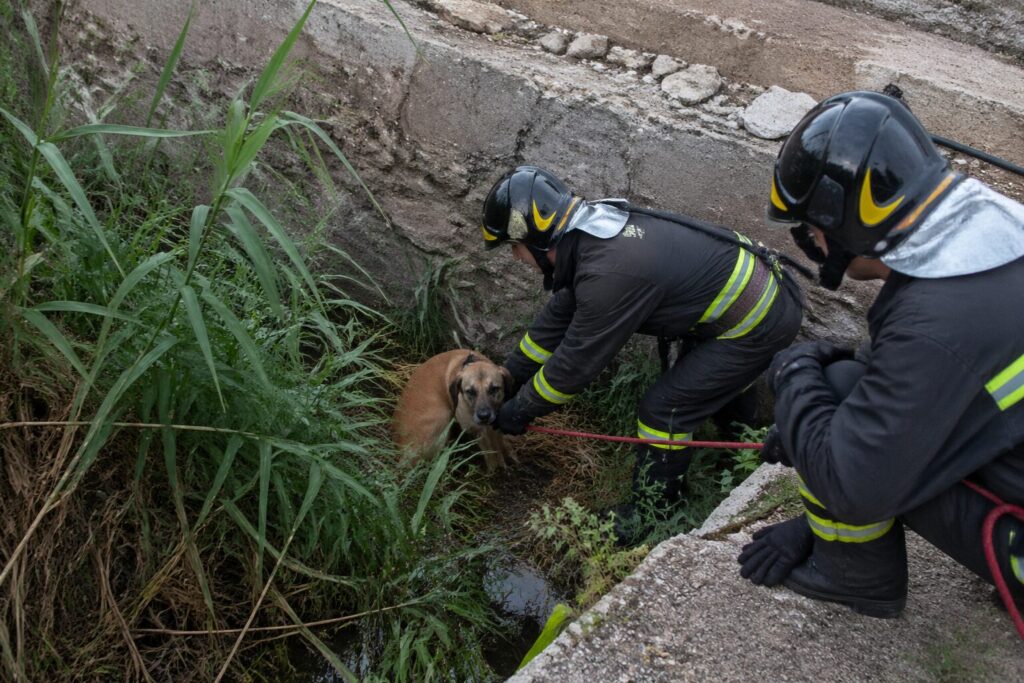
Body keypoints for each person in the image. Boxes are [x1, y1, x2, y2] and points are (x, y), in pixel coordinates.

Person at [738, 90, 1024, 619]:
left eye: (813, 231)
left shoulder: (935, 322)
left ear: (842, 224)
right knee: (849, 387)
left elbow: (852, 484)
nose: (813, 244)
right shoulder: (998, 239)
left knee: (838, 397)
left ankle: (854, 578)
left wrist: (794, 374)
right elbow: (931, 385)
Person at [479, 166, 804, 543]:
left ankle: (653, 513)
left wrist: (520, 411)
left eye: (514, 247)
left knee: (665, 409)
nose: (516, 258)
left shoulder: (607, 273)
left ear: (536, 240)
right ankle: (739, 457)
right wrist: (512, 373)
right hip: (751, 302)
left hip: (759, 321)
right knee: (708, 385)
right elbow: (560, 313)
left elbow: (574, 368)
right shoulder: (591, 232)